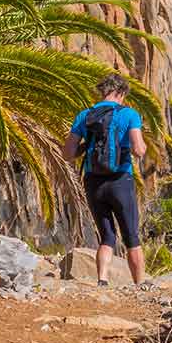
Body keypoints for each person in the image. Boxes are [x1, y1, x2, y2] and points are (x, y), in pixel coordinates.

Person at [65, 73, 147, 286]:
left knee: (107, 236)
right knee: (131, 236)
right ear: (120, 93)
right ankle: (140, 284)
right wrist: (138, 146)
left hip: (93, 182)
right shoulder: (129, 114)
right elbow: (138, 150)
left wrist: (87, 146)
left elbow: (68, 153)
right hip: (120, 180)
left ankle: (102, 280)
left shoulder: (84, 115)